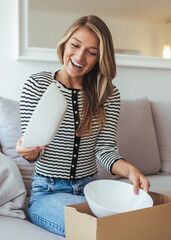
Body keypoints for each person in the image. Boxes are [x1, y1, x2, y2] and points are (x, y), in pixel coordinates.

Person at [16, 15, 150, 237]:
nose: (79, 56)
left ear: (100, 58)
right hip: (48, 193)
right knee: (100, 230)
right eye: (75, 45)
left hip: (92, 190)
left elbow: (105, 149)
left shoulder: (108, 94)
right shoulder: (37, 85)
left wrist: (130, 170)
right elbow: (33, 150)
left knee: (138, 222)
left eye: (91, 52)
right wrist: (27, 152)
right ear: (65, 43)